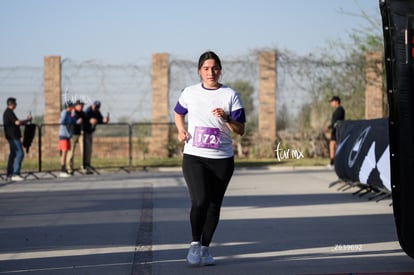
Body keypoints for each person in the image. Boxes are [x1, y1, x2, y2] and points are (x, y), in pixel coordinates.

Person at [173, 51, 246, 266]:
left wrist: (227, 117)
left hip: (222, 158)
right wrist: (180, 130)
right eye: (206, 68)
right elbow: (178, 112)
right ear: (199, 71)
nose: (211, 72)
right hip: (195, 155)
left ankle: (205, 248)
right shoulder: (190, 92)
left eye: (214, 68)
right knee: (200, 200)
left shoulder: (230, 95)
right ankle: (194, 244)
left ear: (220, 70)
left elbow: (240, 129)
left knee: (214, 205)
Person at [2, 97, 32, 181]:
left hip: (12, 136)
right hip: (13, 137)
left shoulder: (8, 112)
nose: (16, 105)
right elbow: (17, 122)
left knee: (13, 154)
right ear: (11, 104)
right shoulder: (8, 112)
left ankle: (9, 173)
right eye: (15, 103)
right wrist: (27, 120)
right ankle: (15, 173)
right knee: (20, 153)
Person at [83, 100, 109, 174]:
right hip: (85, 131)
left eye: (97, 107)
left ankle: (88, 164)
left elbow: (99, 119)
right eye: (95, 106)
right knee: (86, 150)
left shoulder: (97, 112)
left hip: (90, 132)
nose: (95, 108)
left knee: (89, 150)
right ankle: (85, 166)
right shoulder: (88, 111)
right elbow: (85, 119)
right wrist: (89, 121)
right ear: (92, 105)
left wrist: (104, 121)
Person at [58, 101, 81, 177]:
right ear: (68, 107)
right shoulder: (64, 112)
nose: (72, 108)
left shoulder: (70, 113)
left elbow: (74, 121)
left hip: (68, 135)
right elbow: (62, 121)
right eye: (71, 106)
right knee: (64, 153)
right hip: (63, 135)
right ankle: (62, 170)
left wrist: (76, 120)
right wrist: (71, 119)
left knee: (66, 152)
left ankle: (65, 169)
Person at [66, 100, 85, 175]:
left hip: (81, 133)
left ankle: (83, 167)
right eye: (80, 105)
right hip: (73, 133)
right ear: (76, 105)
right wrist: (77, 121)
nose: (81, 106)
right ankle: (69, 168)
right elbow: (71, 120)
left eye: (82, 105)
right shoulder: (73, 111)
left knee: (84, 151)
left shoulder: (82, 113)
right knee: (71, 152)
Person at [325, 96, 345, 168]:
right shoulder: (337, 110)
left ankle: (333, 163)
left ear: (336, 101)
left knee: (334, 145)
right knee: (332, 145)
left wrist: (329, 127)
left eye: (332, 102)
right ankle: (333, 162)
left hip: (338, 130)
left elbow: (336, 122)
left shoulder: (340, 110)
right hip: (335, 130)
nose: (331, 103)